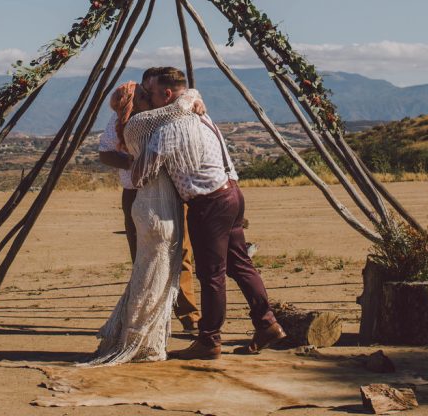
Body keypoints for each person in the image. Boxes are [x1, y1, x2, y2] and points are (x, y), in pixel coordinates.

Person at [135, 66, 285, 360]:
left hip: (209, 203)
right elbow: (190, 94)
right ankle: (267, 324)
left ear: (166, 94)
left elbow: (141, 172)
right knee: (240, 264)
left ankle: (209, 339)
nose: (147, 99)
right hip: (231, 193)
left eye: (150, 94)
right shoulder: (199, 114)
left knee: (212, 273)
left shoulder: (169, 129)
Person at [88, 80, 205, 364]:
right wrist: (192, 95)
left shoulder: (141, 121)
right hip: (151, 200)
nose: (149, 97)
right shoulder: (142, 122)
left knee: (155, 267)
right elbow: (180, 105)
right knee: (156, 267)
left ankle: (157, 329)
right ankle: (145, 335)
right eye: (145, 94)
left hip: (155, 198)